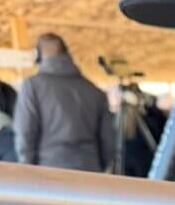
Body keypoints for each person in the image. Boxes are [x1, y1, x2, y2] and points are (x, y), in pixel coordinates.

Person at [14, 33, 114, 171]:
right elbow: (108, 141)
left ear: (38, 56)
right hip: (89, 169)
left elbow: (25, 132)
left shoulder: (32, 87)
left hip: (48, 171)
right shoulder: (95, 92)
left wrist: (27, 169)